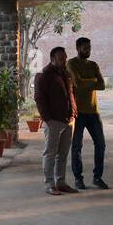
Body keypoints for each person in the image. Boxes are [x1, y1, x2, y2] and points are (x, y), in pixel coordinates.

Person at [34, 46, 78, 196]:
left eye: (65, 58)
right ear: (53, 59)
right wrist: (47, 119)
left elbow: (72, 94)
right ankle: (49, 185)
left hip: (68, 120)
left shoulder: (66, 73)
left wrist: (74, 112)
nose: (64, 61)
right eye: (61, 59)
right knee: (50, 153)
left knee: (63, 154)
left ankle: (61, 182)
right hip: (53, 121)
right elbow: (39, 99)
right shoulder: (44, 75)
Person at [67, 37, 108, 189]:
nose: (88, 50)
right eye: (85, 48)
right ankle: (78, 178)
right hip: (78, 112)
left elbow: (102, 85)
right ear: (78, 48)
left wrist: (85, 80)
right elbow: (76, 83)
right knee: (76, 146)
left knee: (101, 145)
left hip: (93, 111)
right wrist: (92, 81)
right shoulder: (71, 63)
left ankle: (97, 177)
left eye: (89, 47)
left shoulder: (93, 64)